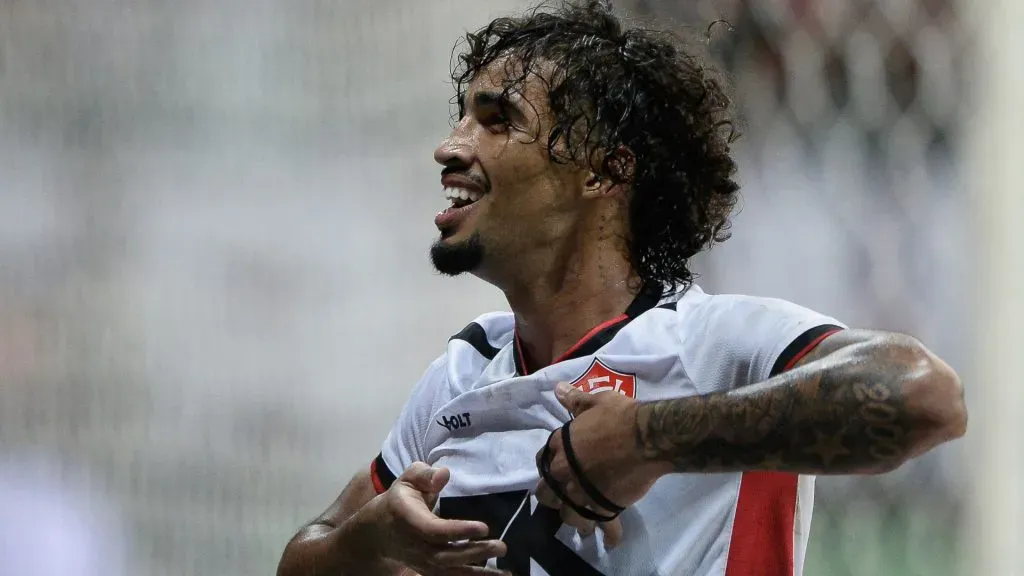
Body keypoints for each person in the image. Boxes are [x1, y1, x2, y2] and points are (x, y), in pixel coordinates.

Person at [276, 2, 967, 575]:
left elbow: (924, 397)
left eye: (497, 121)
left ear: (604, 172)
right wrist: (368, 543)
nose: (451, 146)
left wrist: (647, 439)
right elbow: (305, 555)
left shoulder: (710, 346)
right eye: (461, 117)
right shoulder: (461, 371)